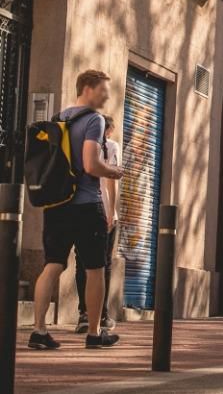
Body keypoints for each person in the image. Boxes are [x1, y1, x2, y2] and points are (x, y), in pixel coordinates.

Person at [28, 70, 124, 350]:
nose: (107, 95)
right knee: (95, 268)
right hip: (86, 204)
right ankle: (94, 333)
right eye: (104, 90)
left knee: (52, 265)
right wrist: (114, 171)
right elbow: (91, 164)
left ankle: (38, 331)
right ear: (88, 88)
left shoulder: (59, 118)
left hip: (57, 205)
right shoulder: (93, 120)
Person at [75, 114, 120, 334]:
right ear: (109, 130)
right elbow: (112, 181)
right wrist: (112, 212)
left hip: (80, 208)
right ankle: (101, 315)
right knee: (103, 265)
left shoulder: (81, 143)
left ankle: (83, 314)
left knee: (81, 263)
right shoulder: (111, 146)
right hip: (102, 210)